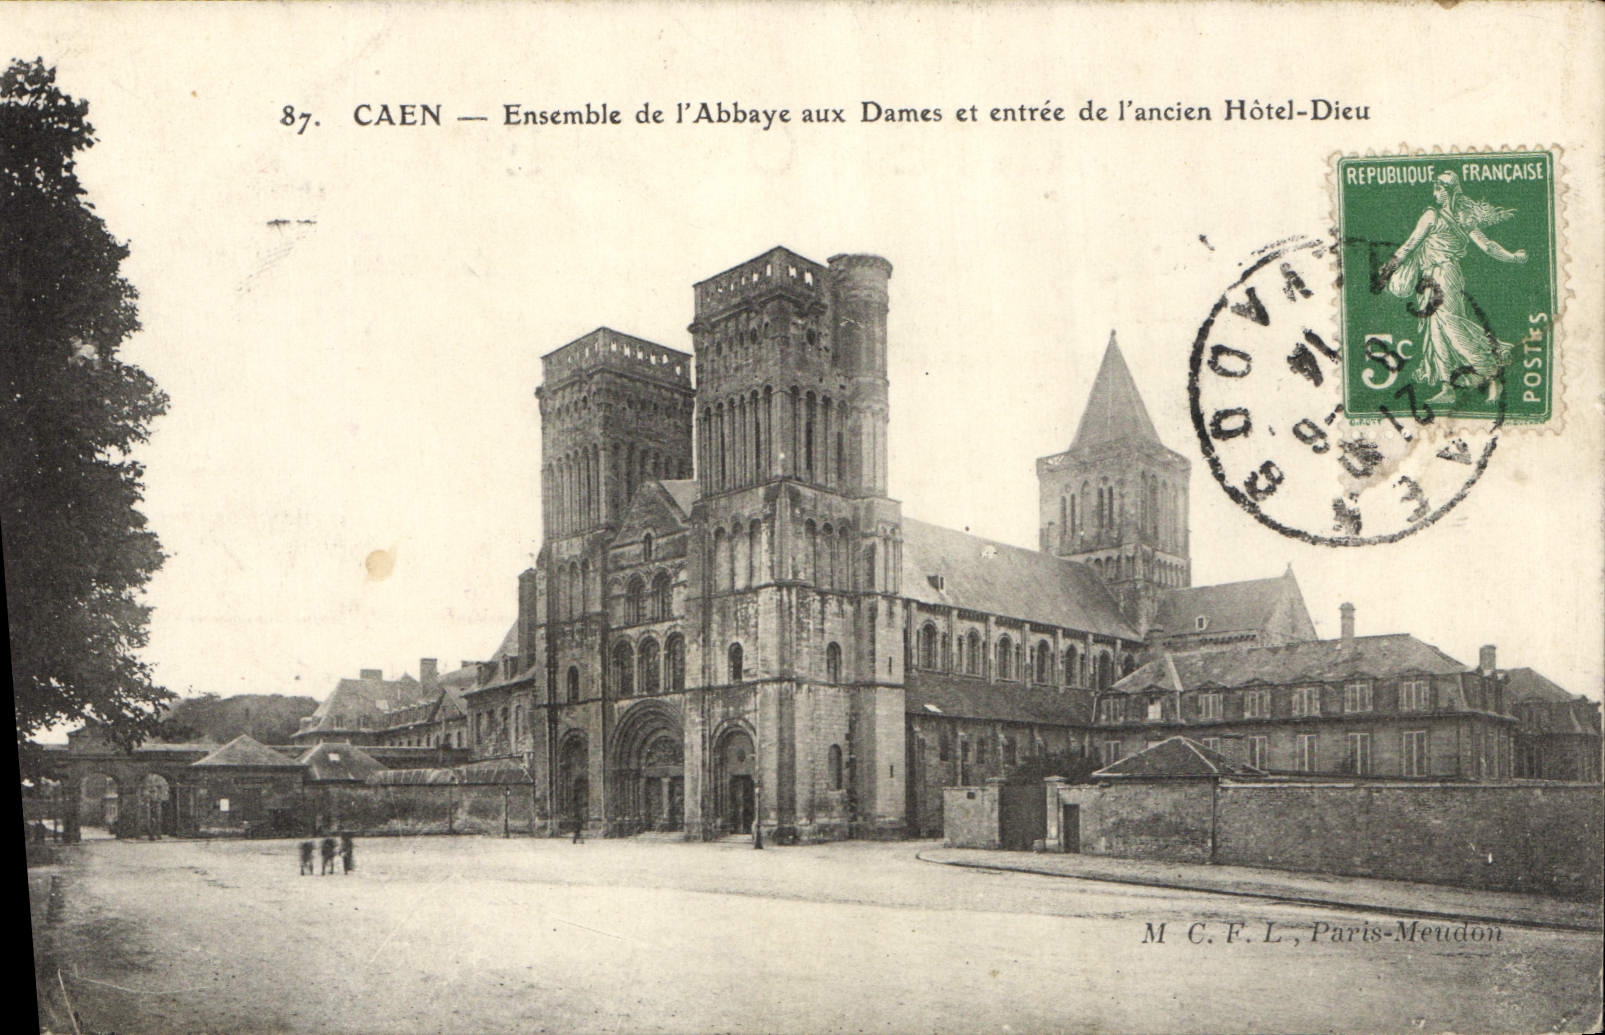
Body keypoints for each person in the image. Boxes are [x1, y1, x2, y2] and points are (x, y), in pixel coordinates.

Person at [1379, 170, 1528, 404]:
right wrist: (1513, 257)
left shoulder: (1442, 216)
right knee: (1436, 332)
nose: (1434, 193)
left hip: (1445, 276)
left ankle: (1490, 372)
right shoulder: (1454, 217)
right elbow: (1487, 245)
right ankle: (1447, 387)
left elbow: (1410, 246)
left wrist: (1389, 266)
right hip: (1430, 279)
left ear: (1447, 191)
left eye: (1438, 189)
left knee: (1451, 326)